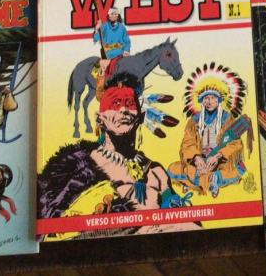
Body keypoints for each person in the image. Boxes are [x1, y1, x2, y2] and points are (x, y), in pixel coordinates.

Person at [37, 73, 192, 230]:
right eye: (115, 103)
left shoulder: (156, 172)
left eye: (130, 103)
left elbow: (183, 223)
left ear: (140, 117)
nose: (123, 109)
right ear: (99, 119)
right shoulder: (75, 166)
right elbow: (51, 225)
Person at [168, 66, 253, 197]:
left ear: (219, 100)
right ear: (201, 101)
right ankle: (209, 180)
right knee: (173, 168)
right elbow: (187, 143)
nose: (209, 101)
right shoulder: (194, 120)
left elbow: (235, 144)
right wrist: (196, 158)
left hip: (221, 162)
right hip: (199, 162)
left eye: (213, 98)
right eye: (206, 98)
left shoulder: (227, 118)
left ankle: (202, 180)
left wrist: (218, 156)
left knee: (235, 171)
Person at [93, 7, 132, 99]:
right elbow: (96, 38)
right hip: (108, 54)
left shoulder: (122, 27)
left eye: (115, 14)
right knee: (99, 70)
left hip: (120, 54)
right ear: (109, 15)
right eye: (112, 14)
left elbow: (127, 41)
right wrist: (97, 29)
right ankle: (100, 90)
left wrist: (126, 50)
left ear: (118, 16)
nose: (114, 16)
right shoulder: (104, 26)